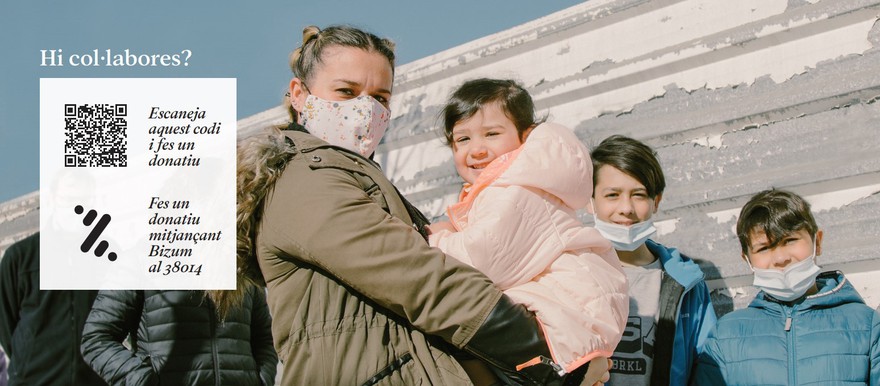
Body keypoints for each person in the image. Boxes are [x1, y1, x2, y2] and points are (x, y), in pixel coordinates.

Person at [234, 25, 593, 385]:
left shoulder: (356, 177)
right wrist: (557, 362)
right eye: (346, 91)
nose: (365, 109)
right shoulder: (304, 179)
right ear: (300, 94)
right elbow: (423, 280)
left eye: (380, 97)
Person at [428, 78, 627, 384]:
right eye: (462, 140)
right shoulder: (504, 187)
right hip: (564, 319)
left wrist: (437, 236)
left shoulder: (517, 189)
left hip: (564, 323)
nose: (476, 150)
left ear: (526, 136)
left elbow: (479, 264)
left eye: (491, 134)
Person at [691, 189, 880, 385]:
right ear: (746, 259)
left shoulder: (866, 325)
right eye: (763, 248)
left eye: (790, 240)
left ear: (818, 242)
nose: (781, 258)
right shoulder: (726, 335)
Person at [590, 135, 716, 386]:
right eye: (612, 195)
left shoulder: (686, 284)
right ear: (590, 201)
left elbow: (707, 366)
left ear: (655, 202)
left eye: (638, 195)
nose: (626, 208)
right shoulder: (570, 272)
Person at [80, 288, 277, 386]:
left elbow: (264, 338)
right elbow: (96, 339)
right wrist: (144, 381)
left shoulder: (238, 261)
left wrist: (261, 380)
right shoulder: (141, 258)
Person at [0, 232, 107, 386]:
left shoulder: (106, 255)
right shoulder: (19, 257)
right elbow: (6, 324)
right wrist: (29, 361)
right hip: (34, 380)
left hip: (94, 379)